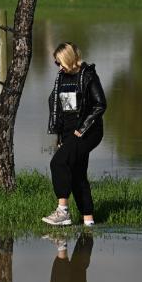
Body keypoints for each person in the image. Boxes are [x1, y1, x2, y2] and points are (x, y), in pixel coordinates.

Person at [43, 42, 107, 226]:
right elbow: (59, 109)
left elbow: (100, 104)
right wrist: (60, 137)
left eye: (60, 62)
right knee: (78, 174)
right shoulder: (61, 78)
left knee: (58, 162)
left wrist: (82, 128)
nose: (58, 67)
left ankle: (62, 212)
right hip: (69, 133)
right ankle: (88, 221)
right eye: (56, 63)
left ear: (68, 58)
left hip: (89, 132)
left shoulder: (88, 75)